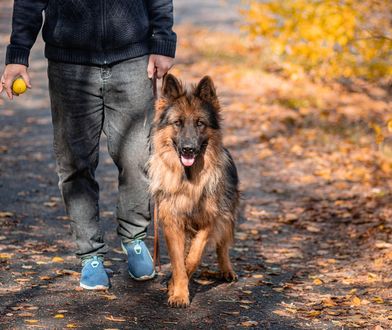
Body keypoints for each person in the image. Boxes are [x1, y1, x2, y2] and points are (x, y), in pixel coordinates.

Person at [0, 0, 176, 290]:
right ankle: (90, 254)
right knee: (75, 164)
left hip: (132, 60)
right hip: (69, 65)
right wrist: (18, 54)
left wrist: (164, 41)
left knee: (137, 159)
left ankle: (133, 238)